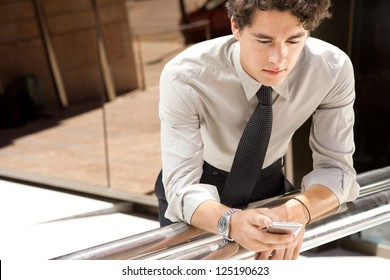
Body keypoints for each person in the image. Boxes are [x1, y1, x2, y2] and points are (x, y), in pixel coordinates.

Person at [155, 0, 360, 260]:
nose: (278, 59)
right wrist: (230, 221)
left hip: (269, 184)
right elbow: (181, 185)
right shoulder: (185, 75)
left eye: (294, 40)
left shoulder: (332, 69)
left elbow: (338, 170)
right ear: (236, 27)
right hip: (198, 188)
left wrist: (293, 212)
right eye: (264, 41)